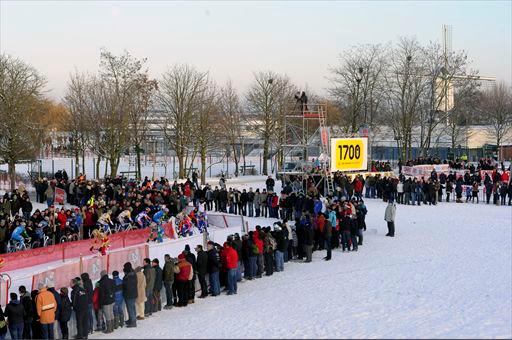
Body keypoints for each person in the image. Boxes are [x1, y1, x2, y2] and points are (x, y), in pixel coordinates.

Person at [121, 262, 138, 328]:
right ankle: (132, 319)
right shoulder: (132, 273)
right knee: (132, 307)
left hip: (130, 294)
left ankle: (133, 322)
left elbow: (128, 285)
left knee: (130, 308)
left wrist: (123, 283)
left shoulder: (130, 276)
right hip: (132, 293)